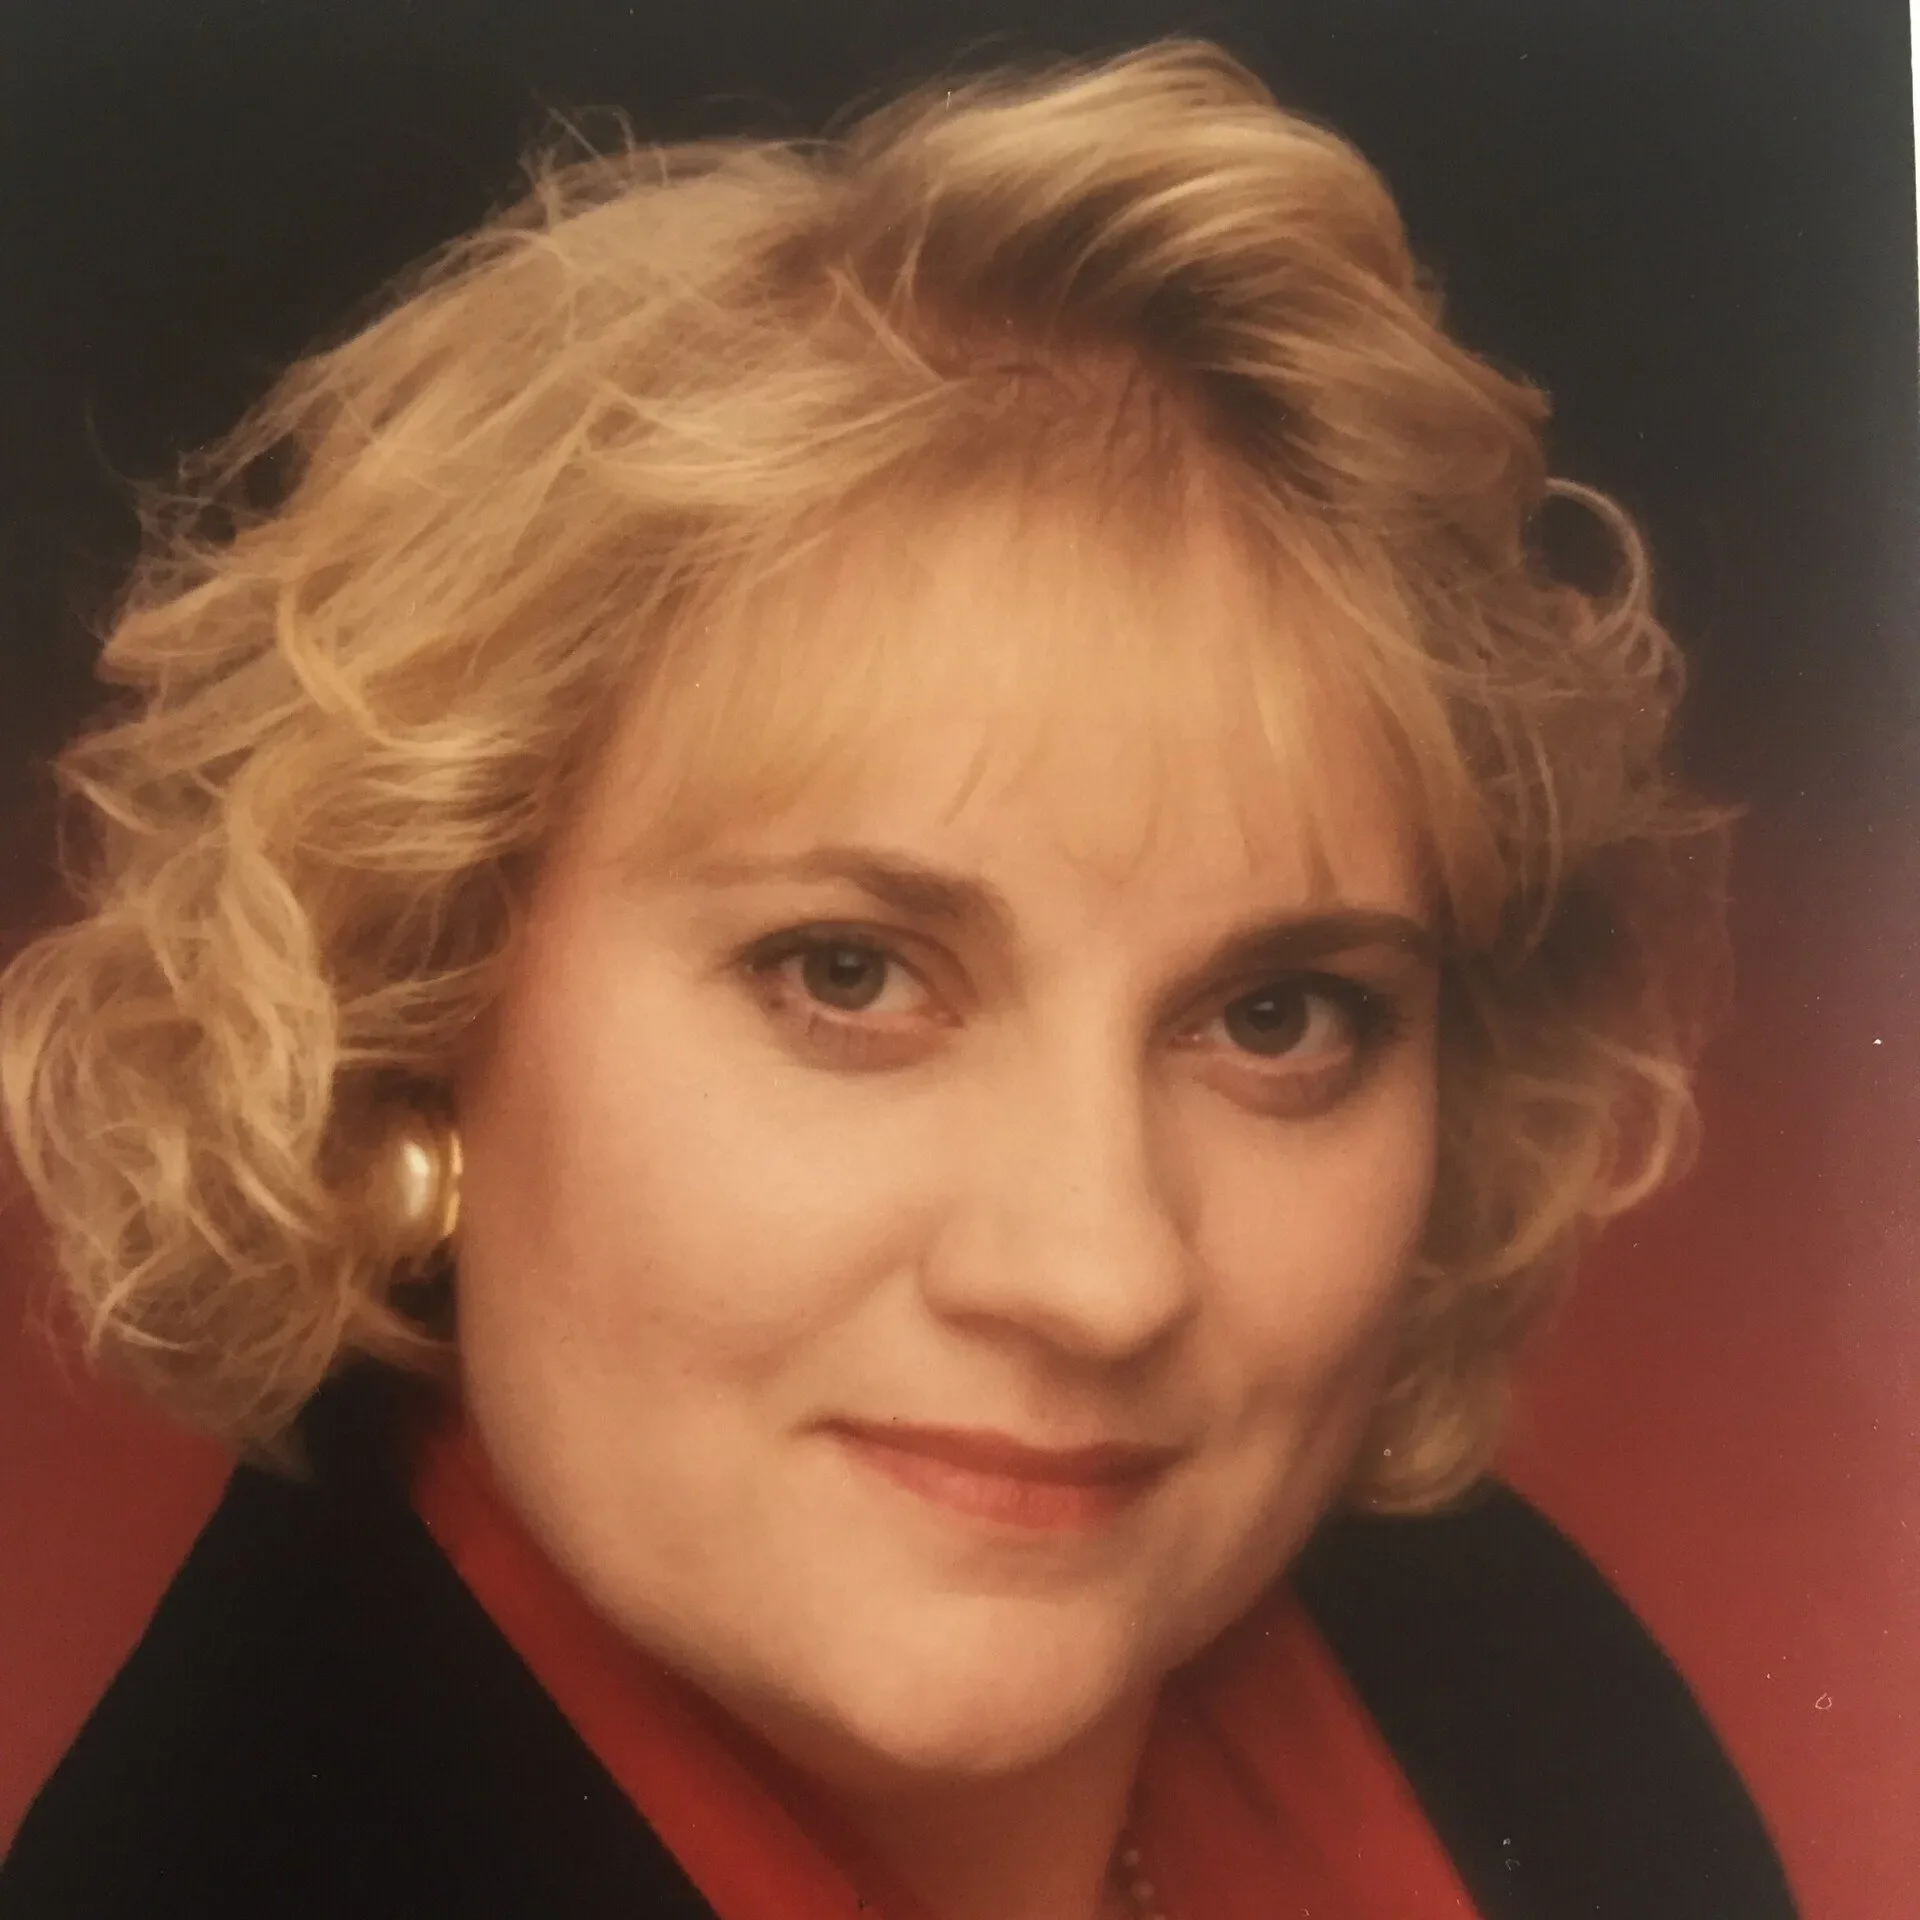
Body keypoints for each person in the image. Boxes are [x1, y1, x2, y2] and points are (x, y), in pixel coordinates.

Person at [0, 37, 1794, 1920]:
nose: (1098, 1274)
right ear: (414, 1001)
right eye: (850, 975)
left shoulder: (1511, 1693)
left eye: (1277, 1017)